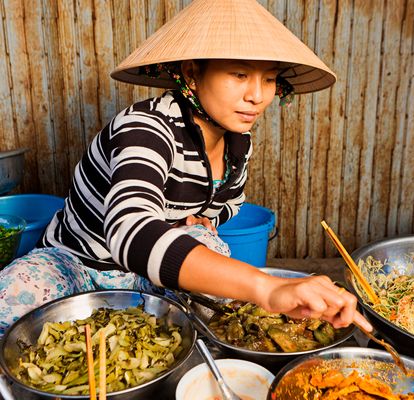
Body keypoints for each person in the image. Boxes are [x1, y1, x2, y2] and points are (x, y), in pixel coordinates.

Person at [0, 0, 372, 336]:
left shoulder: (238, 142)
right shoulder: (144, 128)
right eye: (240, 75)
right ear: (192, 73)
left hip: (144, 278)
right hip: (76, 265)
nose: (257, 95)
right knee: (12, 296)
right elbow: (130, 229)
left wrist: (197, 221)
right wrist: (267, 286)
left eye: (270, 78)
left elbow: (224, 206)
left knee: (212, 254)